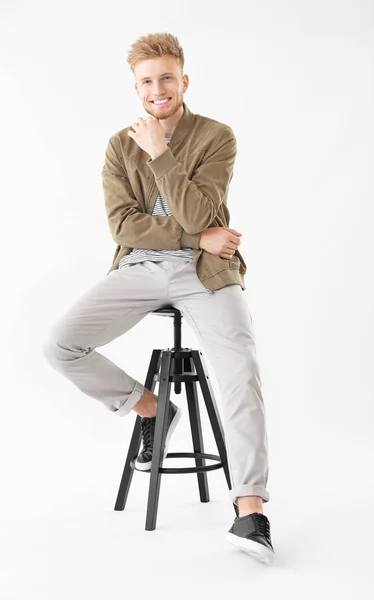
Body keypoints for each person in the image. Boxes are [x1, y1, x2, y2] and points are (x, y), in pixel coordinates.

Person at [42, 31, 274, 565]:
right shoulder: (119, 145)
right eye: (147, 81)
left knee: (241, 372)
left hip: (208, 271)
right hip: (143, 267)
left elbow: (201, 211)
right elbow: (124, 224)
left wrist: (162, 154)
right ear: (136, 89)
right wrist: (199, 235)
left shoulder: (217, 136)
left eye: (167, 77)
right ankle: (151, 409)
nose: (158, 89)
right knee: (59, 345)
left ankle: (250, 509)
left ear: (183, 80)